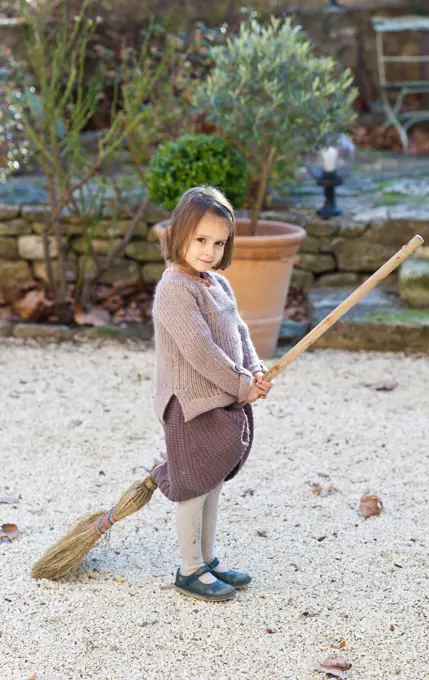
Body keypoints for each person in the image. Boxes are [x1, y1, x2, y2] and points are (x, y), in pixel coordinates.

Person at [151, 186, 274, 602]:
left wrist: (255, 370)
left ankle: (207, 559)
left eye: (218, 243)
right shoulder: (173, 290)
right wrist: (242, 385)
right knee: (194, 486)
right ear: (178, 236)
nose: (209, 250)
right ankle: (189, 570)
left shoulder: (217, 283)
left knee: (214, 481)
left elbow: (238, 332)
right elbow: (200, 350)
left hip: (220, 398)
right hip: (190, 405)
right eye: (200, 240)